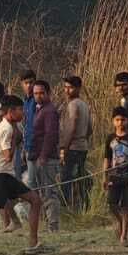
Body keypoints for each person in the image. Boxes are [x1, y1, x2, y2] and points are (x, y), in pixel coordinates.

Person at [0, 93, 45, 255]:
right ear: (11, 111)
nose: (23, 113)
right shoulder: (6, 129)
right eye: (20, 110)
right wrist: (14, 140)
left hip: (3, 174)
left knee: (35, 200)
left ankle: (33, 243)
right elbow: (7, 156)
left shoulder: (8, 126)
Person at [27, 80, 61, 232]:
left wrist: (43, 155)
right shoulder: (38, 109)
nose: (38, 96)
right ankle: (47, 223)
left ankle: (52, 225)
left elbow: (50, 135)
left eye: (41, 93)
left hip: (46, 158)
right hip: (37, 156)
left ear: (48, 93)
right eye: (35, 93)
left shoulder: (49, 111)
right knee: (40, 191)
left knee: (49, 192)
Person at [59, 76, 93, 212]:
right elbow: (90, 129)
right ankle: (84, 208)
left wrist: (64, 148)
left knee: (66, 180)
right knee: (80, 178)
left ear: (78, 89)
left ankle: (65, 209)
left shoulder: (73, 104)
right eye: (65, 87)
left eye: (71, 87)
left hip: (73, 147)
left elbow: (72, 127)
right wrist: (83, 140)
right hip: (82, 147)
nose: (67, 90)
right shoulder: (84, 105)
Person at [104, 108, 128, 245]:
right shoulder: (110, 138)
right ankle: (121, 222)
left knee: (126, 206)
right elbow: (107, 158)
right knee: (112, 204)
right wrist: (105, 176)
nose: (120, 123)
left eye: (123, 120)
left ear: (127, 121)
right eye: (117, 120)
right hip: (114, 175)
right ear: (113, 121)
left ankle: (124, 235)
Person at [16, 70, 38, 178]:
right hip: (27, 145)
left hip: (37, 146)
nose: (29, 85)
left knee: (34, 180)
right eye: (26, 83)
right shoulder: (24, 101)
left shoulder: (37, 100)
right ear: (22, 84)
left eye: (31, 82)